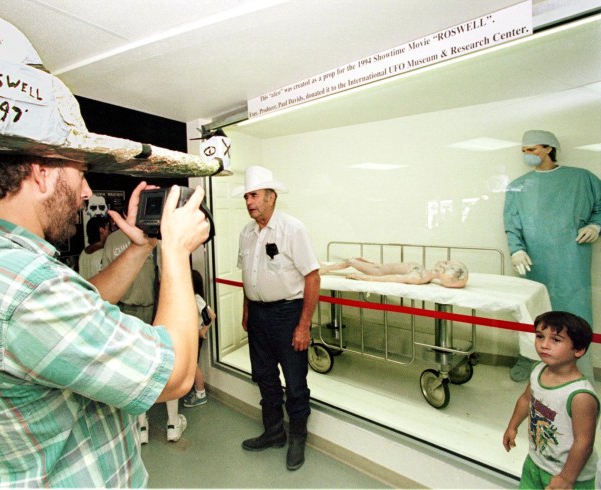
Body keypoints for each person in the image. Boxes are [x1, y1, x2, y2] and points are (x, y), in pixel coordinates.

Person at [0, 154, 209, 487]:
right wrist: (176, 249)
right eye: (81, 175)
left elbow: (82, 306)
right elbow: (175, 375)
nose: (86, 192)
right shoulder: (28, 286)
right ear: (41, 175)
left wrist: (140, 247)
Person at [234, 165, 320, 471]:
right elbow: (249, 275)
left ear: (271, 197)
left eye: (254, 195)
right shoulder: (246, 233)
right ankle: (273, 432)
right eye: (246, 196)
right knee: (265, 378)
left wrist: (303, 325)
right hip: (257, 316)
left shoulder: (292, 229)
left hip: (288, 314)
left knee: (295, 382)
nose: (249, 202)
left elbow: (312, 277)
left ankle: (297, 438)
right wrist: (247, 311)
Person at [504, 130, 601, 383]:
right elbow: (511, 223)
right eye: (524, 151)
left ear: (549, 148)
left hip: (571, 259)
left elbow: (600, 207)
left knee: (574, 313)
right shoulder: (518, 186)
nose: (528, 155)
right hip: (533, 260)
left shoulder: (582, 178)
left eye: (532, 149)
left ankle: (578, 369)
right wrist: (517, 249)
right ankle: (530, 360)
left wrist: (595, 226)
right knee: (533, 311)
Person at [101, 225, 187, 443]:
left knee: (159, 361)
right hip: (125, 310)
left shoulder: (155, 239)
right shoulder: (114, 240)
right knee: (141, 366)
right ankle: (142, 426)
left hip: (151, 308)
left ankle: (171, 423)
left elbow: (162, 274)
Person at [503, 311, 598, 489]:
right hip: (535, 463)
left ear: (578, 350)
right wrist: (512, 426)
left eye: (556, 340)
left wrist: (567, 479)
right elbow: (525, 399)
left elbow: (584, 442)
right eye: (540, 336)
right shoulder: (537, 370)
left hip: (571, 475)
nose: (544, 345)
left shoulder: (580, 395)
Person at [320, 258, 469, 288]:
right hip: (379, 266)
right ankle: (325, 266)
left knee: (351, 261)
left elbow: (389, 278)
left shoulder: (417, 277)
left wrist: (361, 277)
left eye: (447, 264)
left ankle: (325, 269)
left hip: (378, 271)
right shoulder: (423, 272)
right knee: (357, 259)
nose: (444, 261)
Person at [183, 269, 216, 408]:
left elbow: (212, 315)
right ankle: (196, 390)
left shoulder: (196, 298)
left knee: (192, 366)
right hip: (189, 336)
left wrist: (202, 330)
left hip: (194, 337)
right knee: (191, 364)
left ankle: (201, 393)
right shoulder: (189, 297)